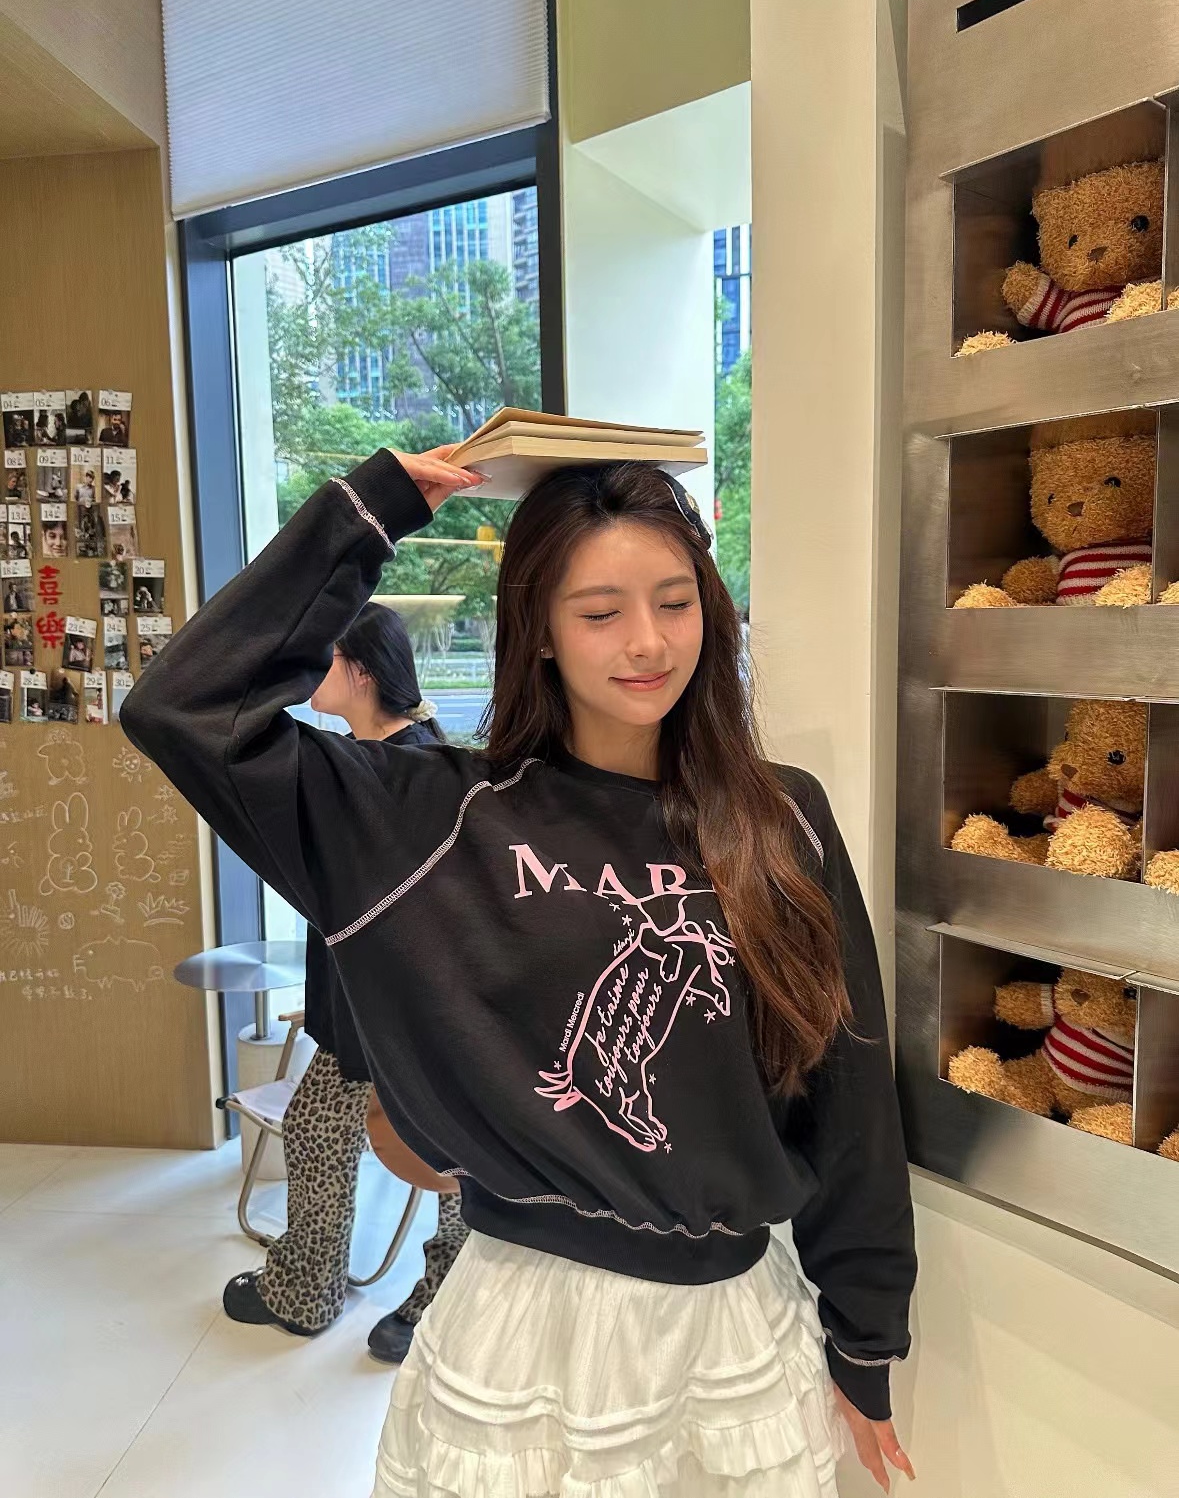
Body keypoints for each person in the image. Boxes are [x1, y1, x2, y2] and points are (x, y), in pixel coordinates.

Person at [122, 446, 917, 1498]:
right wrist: (371, 509)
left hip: (735, 1333)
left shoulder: (781, 816)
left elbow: (847, 1086)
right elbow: (184, 710)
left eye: (675, 601)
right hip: (523, 1328)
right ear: (538, 626)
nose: (647, 641)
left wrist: (865, 1335)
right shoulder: (430, 817)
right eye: (600, 612)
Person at [219, 602, 472, 1352]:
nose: (305, 676)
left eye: (320, 659)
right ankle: (308, 1290)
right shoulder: (360, 758)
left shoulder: (414, 769)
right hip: (358, 1018)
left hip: (416, 1024)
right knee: (318, 1134)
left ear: (359, 671)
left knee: (451, 1167)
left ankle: (442, 1309)